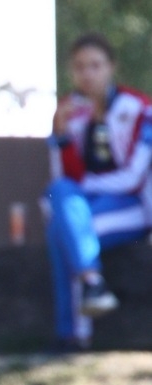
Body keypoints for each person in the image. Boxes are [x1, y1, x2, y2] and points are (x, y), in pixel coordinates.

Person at [44, 32, 152, 350]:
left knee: (60, 231)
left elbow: (134, 177)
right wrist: (60, 137)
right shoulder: (70, 111)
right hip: (91, 206)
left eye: (95, 65)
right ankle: (91, 283)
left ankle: (73, 334)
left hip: (135, 207)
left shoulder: (140, 108)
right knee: (60, 192)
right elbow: (66, 178)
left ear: (111, 67)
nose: (87, 74)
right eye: (80, 67)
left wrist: (87, 186)